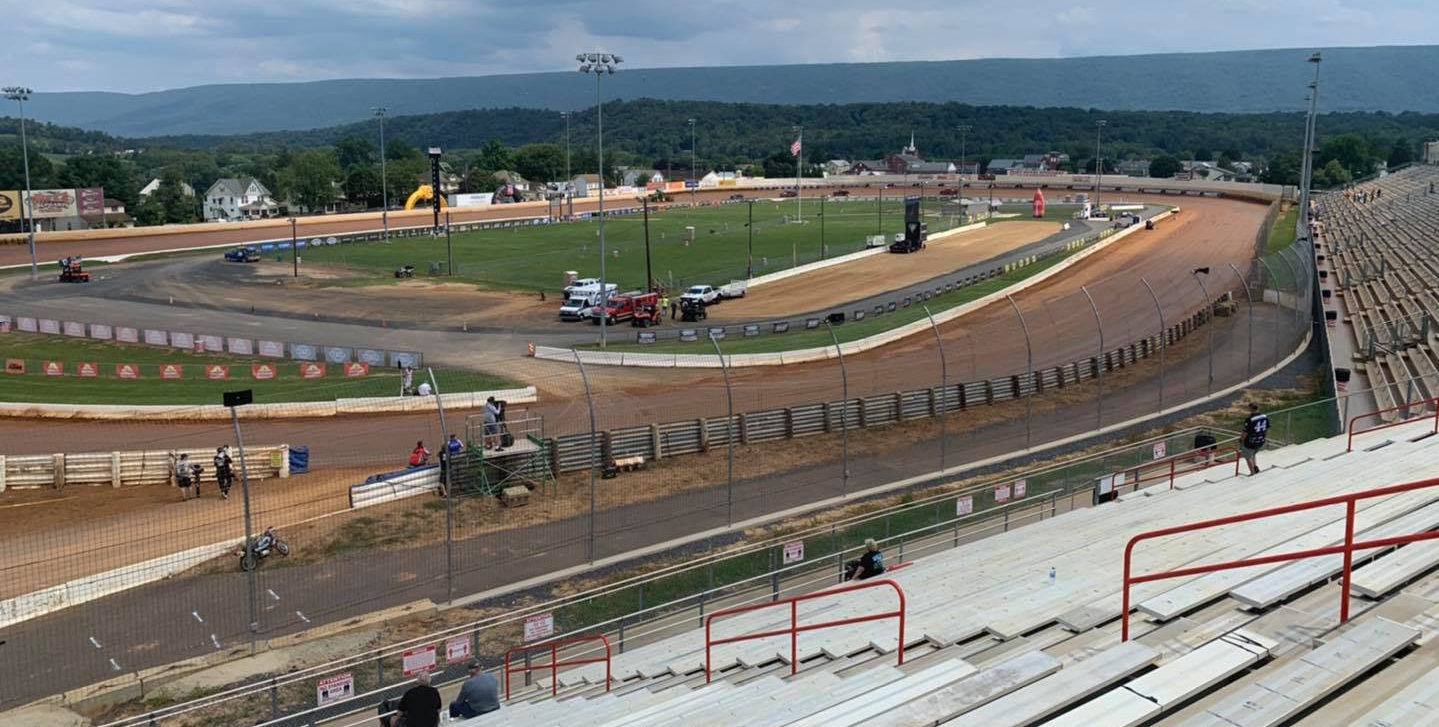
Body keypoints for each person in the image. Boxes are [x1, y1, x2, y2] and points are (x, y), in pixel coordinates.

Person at [1241, 402, 1269, 475]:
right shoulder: (1264, 416)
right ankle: (1255, 468)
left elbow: (1245, 432)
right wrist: (1264, 438)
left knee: (1248, 456)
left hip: (1251, 441)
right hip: (1261, 440)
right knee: (1253, 453)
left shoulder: (1249, 419)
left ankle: (1252, 473)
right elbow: (1266, 428)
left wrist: (1241, 440)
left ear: (1250, 408)